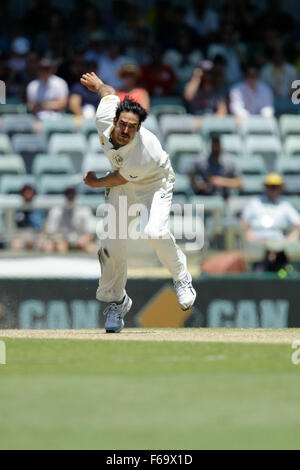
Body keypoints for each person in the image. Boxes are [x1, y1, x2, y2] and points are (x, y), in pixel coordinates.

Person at [80, 71, 196, 333]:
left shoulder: (144, 151)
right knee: (110, 245)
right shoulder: (104, 117)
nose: (124, 130)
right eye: (122, 124)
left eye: (132, 127)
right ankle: (116, 302)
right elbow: (108, 93)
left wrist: (95, 182)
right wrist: (99, 85)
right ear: (116, 119)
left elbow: (120, 178)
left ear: (139, 128)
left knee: (153, 231)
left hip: (153, 182)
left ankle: (181, 277)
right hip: (122, 180)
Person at [240, 173, 300, 244]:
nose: (273, 190)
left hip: (278, 243)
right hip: (257, 241)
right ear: (266, 187)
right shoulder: (254, 203)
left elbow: (298, 224)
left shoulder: (285, 206)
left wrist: (290, 239)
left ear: (281, 189)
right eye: (271, 187)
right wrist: (248, 233)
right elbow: (243, 222)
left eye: (276, 187)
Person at [189, 134, 242, 199]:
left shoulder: (230, 162)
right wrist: (199, 185)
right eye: (214, 144)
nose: (215, 147)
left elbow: (239, 183)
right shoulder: (201, 162)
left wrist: (220, 181)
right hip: (206, 197)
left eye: (217, 144)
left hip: (224, 198)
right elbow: (191, 176)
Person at [45, 187, 96, 253]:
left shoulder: (85, 210)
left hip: (80, 240)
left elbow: (90, 233)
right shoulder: (56, 211)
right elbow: (51, 231)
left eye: (72, 195)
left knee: (91, 248)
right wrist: (60, 240)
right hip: (61, 240)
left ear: (76, 196)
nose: (70, 197)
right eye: (68, 195)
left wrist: (83, 240)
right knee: (56, 247)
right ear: (65, 196)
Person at [11, 185, 46, 251]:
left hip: (36, 234)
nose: (28, 194)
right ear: (22, 194)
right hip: (21, 234)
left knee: (46, 245)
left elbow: (43, 225)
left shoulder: (39, 209)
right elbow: (14, 226)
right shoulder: (17, 209)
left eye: (30, 192)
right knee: (16, 244)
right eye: (26, 192)